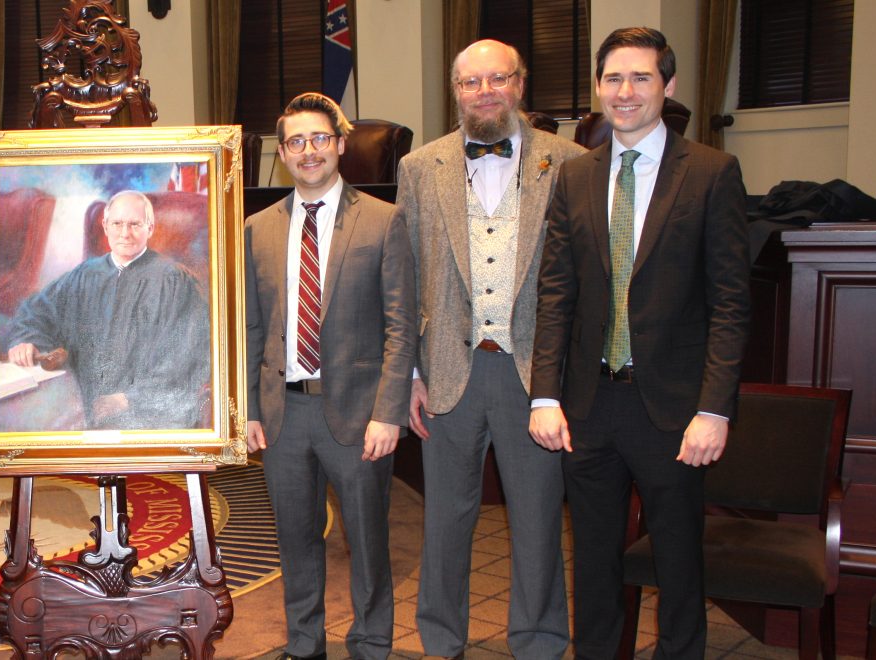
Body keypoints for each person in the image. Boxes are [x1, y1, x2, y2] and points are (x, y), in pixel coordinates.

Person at [529, 27, 750, 659]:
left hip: (676, 412)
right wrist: (544, 394)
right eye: (613, 79)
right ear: (598, 89)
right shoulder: (574, 178)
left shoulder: (711, 172)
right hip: (589, 406)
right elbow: (555, 297)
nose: (625, 93)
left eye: (641, 78)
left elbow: (731, 303)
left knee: (678, 569)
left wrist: (714, 409)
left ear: (668, 86)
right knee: (594, 567)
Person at [400, 39, 585, 659]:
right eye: (469, 82)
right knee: (445, 521)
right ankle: (441, 640)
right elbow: (404, 277)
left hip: (533, 373)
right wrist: (410, 374)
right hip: (447, 368)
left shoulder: (571, 162)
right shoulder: (421, 167)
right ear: (453, 91)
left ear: (520, 83)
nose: (484, 92)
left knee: (537, 521)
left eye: (496, 79)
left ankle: (538, 641)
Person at [244, 92, 417, 660]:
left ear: (340, 144)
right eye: (296, 141)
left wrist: (389, 413)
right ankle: (304, 642)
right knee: (295, 542)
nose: (308, 151)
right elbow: (250, 328)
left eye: (319, 138)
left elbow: (401, 328)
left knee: (367, 543)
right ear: (282, 155)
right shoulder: (256, 230)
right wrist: (247, 408)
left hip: (361, 413)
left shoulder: (385, 221)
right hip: (283, 413)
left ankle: (370, 643)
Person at [4, 190, 210, 429]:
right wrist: (26, 340)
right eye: (117, 224)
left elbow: (187, 356)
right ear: (105, 226)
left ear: (150, 228)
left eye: (135, 224)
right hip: (85, 405)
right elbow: (38, 311)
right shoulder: (84, 275)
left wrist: (128, 399)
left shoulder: (175, 282)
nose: (125, 233)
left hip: (147, 413)